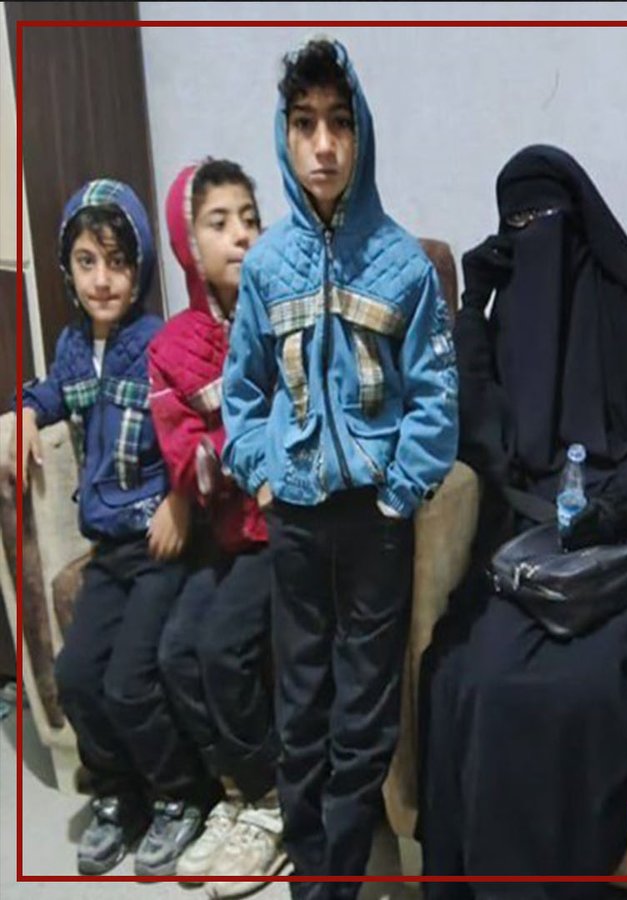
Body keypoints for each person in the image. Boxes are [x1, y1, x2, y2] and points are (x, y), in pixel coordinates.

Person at [418, 145, 627, 897]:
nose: (534, 239)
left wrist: (611, 509)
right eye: (515, 225)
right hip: (528, 551)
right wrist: (473, 309)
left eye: (544, 220)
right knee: (466, 674)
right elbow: (482, 441)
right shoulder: (510, 313)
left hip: (623, 550)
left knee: (574, 690)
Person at [221, 37, 458, 899]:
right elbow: (242, 390)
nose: (323, 145)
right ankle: (310, 879)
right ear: (284, 135)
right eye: (304, 124)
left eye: (339, 124)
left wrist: (400, 494)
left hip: (373, 523)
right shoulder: (266, 267)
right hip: (294, 519)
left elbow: (435, 395)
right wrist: (261, 472)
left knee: (362, 720)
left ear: (362, 134)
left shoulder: (403, 266)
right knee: (302, 710)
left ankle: (338, 885)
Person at [12, 179, 213, 875]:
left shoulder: (158, 343)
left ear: (141, 268)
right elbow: (51, 391)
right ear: (67, 269)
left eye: (117, 263)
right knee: (76, 675)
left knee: (131, 680)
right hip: (109, 549)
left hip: (158, 545)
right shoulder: (73, 348)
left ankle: (178, 794)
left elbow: (194, 429)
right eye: (87, 262)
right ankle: (117, 792)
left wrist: (180, 499)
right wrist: (26, 410)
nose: (102, 280)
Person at [150, 159, 287, 894]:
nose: (240, 235)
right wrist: (222, 455)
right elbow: (186, 450)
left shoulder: (281, 314)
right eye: (219, 222)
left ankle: (271, 799)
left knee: (222, 648)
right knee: (177, 650)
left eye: (249, 219)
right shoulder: (174, 346)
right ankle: (232, 793)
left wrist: (233, 448)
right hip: (226, 532)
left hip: (275, 532)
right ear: (188, 245)